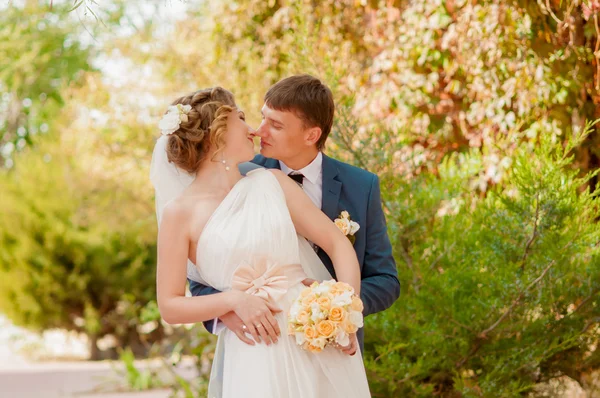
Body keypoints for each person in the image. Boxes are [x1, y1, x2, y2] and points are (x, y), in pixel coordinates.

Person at [151, 86, 371, 397]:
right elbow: (170, 306)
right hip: (255, 348)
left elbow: (338, 244)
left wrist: (346, 312)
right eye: (240, 117)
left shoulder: (274, 183)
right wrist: (233, 300)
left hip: (313, 337)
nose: (253, 128)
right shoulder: (178, 215)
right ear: (217, 135)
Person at [189, 75, 400, 350]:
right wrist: (226, 311)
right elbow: (201, 269)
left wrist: (339, 306)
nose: (259, 130)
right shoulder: (238, 177)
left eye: (275, 125)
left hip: (333, 344)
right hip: (263, 345)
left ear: (311, 134)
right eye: (263, 117)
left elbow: (386, 279)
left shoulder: (362, 186)